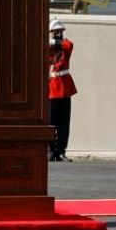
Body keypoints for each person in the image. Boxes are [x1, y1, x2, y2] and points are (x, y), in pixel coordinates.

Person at [48, 19, 77, 162]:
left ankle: (61, 151)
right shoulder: (48, 46)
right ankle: (51, 150)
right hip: (51, 89)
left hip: (64, 88)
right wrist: (51, 41)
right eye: (55, 32)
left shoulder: (66, 45)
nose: (58, 34)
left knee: (64, 123)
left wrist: (56, 41)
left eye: (60, 31)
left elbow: (68, 45)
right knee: (50, 122)